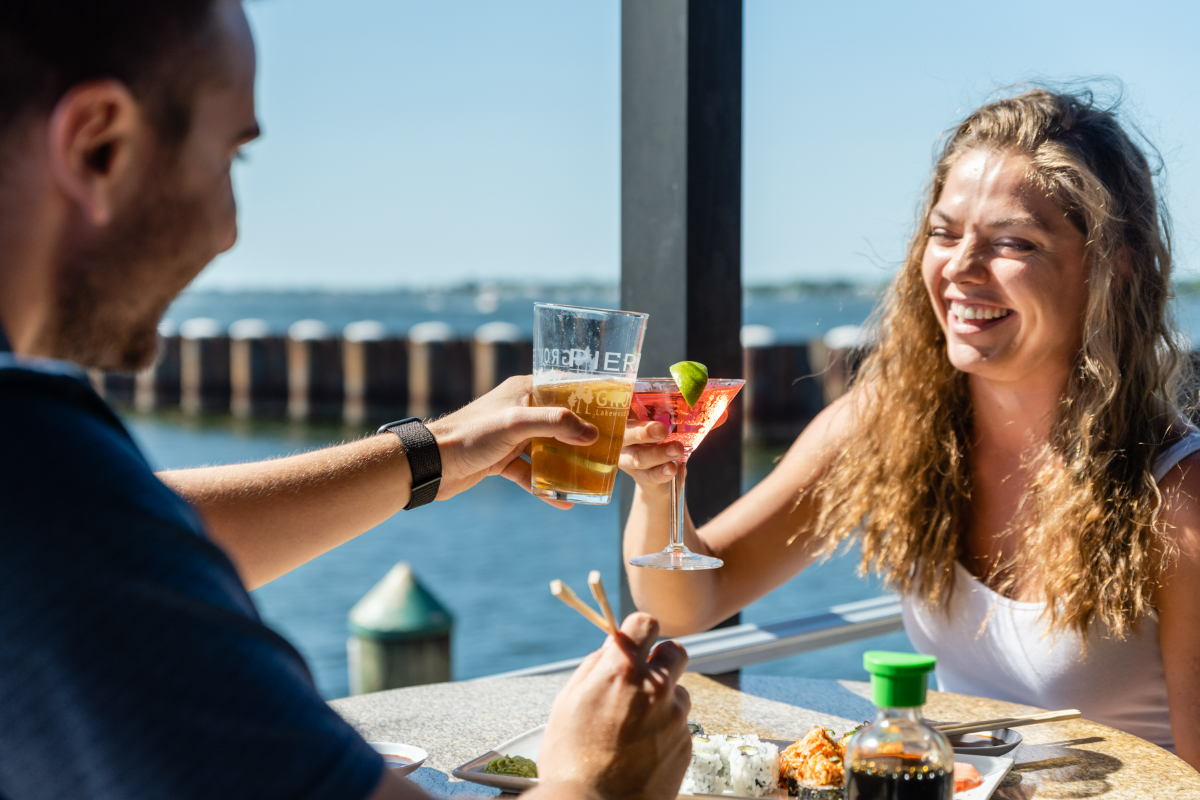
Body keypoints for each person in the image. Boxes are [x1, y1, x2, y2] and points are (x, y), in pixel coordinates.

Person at [0, 2, 692, 799]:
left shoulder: (51, 495)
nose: (228, 230)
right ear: (99, 144)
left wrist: (432, 451)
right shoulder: (32, 471)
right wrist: (597, 781)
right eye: (231, 157)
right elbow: (88, 538)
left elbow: (139, 532)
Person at [621, 88, 1200, 770]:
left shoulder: (1178, 497)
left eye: (1013, 242)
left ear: (1111, 263)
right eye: (944, 233)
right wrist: (659, 488)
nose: (959, 267)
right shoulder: (885, 426)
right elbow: (691, 601)